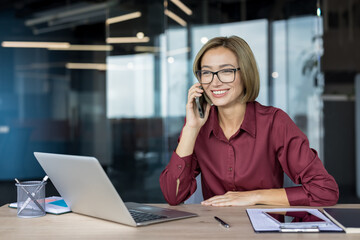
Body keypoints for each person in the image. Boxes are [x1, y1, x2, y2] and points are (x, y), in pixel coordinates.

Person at [159, 36, 339, 207]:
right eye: (207, 72)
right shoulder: (198, 127)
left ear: (245, 74)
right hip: (215, 230)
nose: (215, 82)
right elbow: (173, 196)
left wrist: (254, 196)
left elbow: (325, 191)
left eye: (226, 71)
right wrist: (191, 129)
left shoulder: (274, 122)